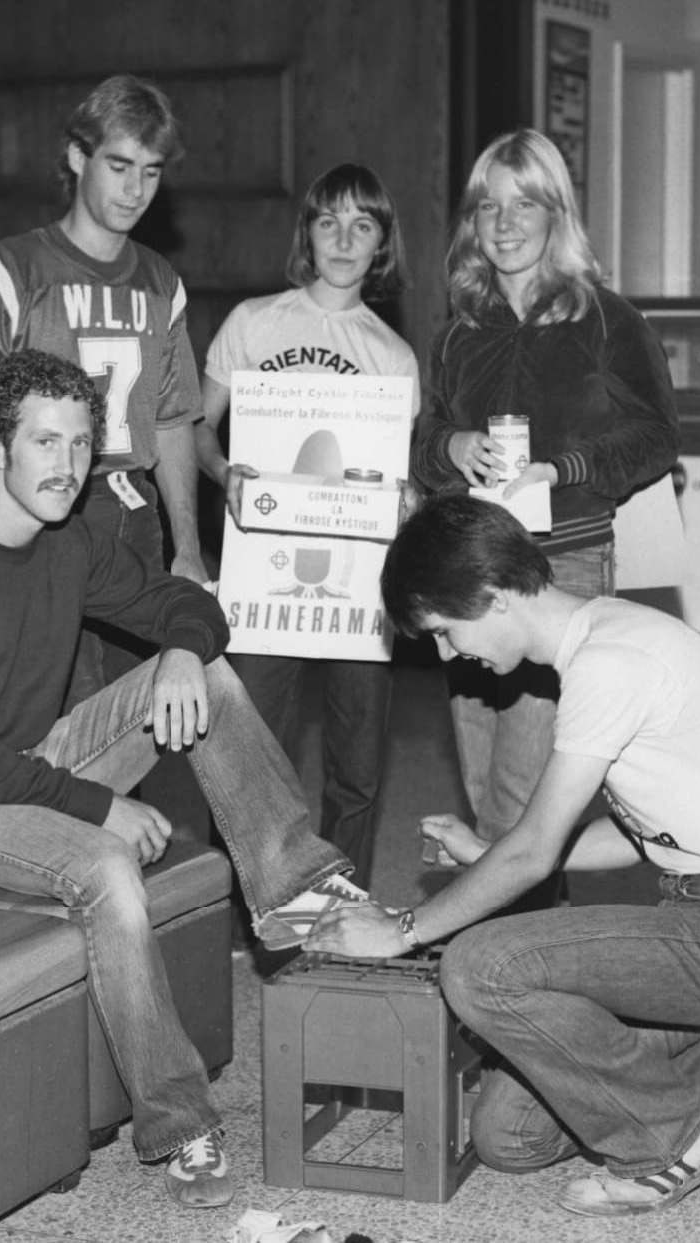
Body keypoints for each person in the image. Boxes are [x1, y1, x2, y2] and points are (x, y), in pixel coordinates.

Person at [0, 349, 370, 1208]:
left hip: (35, 755)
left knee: (207, 675)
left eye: (79, 444)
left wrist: (178, 648)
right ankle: (180, 1123)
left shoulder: (70, 542)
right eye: (43, 442)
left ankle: (290, 884)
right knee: (109, 871)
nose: (65, 465)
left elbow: (194, 605)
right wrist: (100, 806)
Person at [307, 494, 700, 1217]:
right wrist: (493, 850)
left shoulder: (610, 662)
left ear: (490, 597)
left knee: (479, 965)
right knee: (507, 1138)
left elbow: (534, 852)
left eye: (442, 629)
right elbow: (638, 835)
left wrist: (401, 929)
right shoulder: (608, 639)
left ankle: (678, 1133)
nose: (446, 653)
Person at [410, 129, 680, 854]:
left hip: (562, 566)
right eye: (488, 206)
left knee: (523, 797)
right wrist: (450, 446)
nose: (504, 223)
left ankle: (507, 953)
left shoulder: (605, 319)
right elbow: (421, 439)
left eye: (524, 203)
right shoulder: (458, 331)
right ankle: (508, 946)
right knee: (480, 778)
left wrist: (563, 469)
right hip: (471, 568)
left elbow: (656, 435)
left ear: (556, 212)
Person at [0, 73, 207, 701]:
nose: (136, 190)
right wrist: (17, 501)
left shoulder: (162, 281)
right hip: (44, 517)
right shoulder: (7, 268)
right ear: (78, 156)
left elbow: (171, 418)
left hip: (134, 514)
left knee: (137, 719)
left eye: (153, 171)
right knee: (52, 715)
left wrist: (188, 547)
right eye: (119, 165)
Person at [195, 163, 419, 885]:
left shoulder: (392, 355)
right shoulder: (253, 322)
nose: (344, 239)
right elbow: (197, 430)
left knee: (356, 767)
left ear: (382, 241)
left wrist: (407, 498)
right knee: (247, 753)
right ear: (307, 234)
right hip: (263, 569)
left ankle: (337, 897)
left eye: (363, 224)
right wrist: (224, 473)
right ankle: (240, 901)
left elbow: (396, 475)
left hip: (360, 581)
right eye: (329, 222)